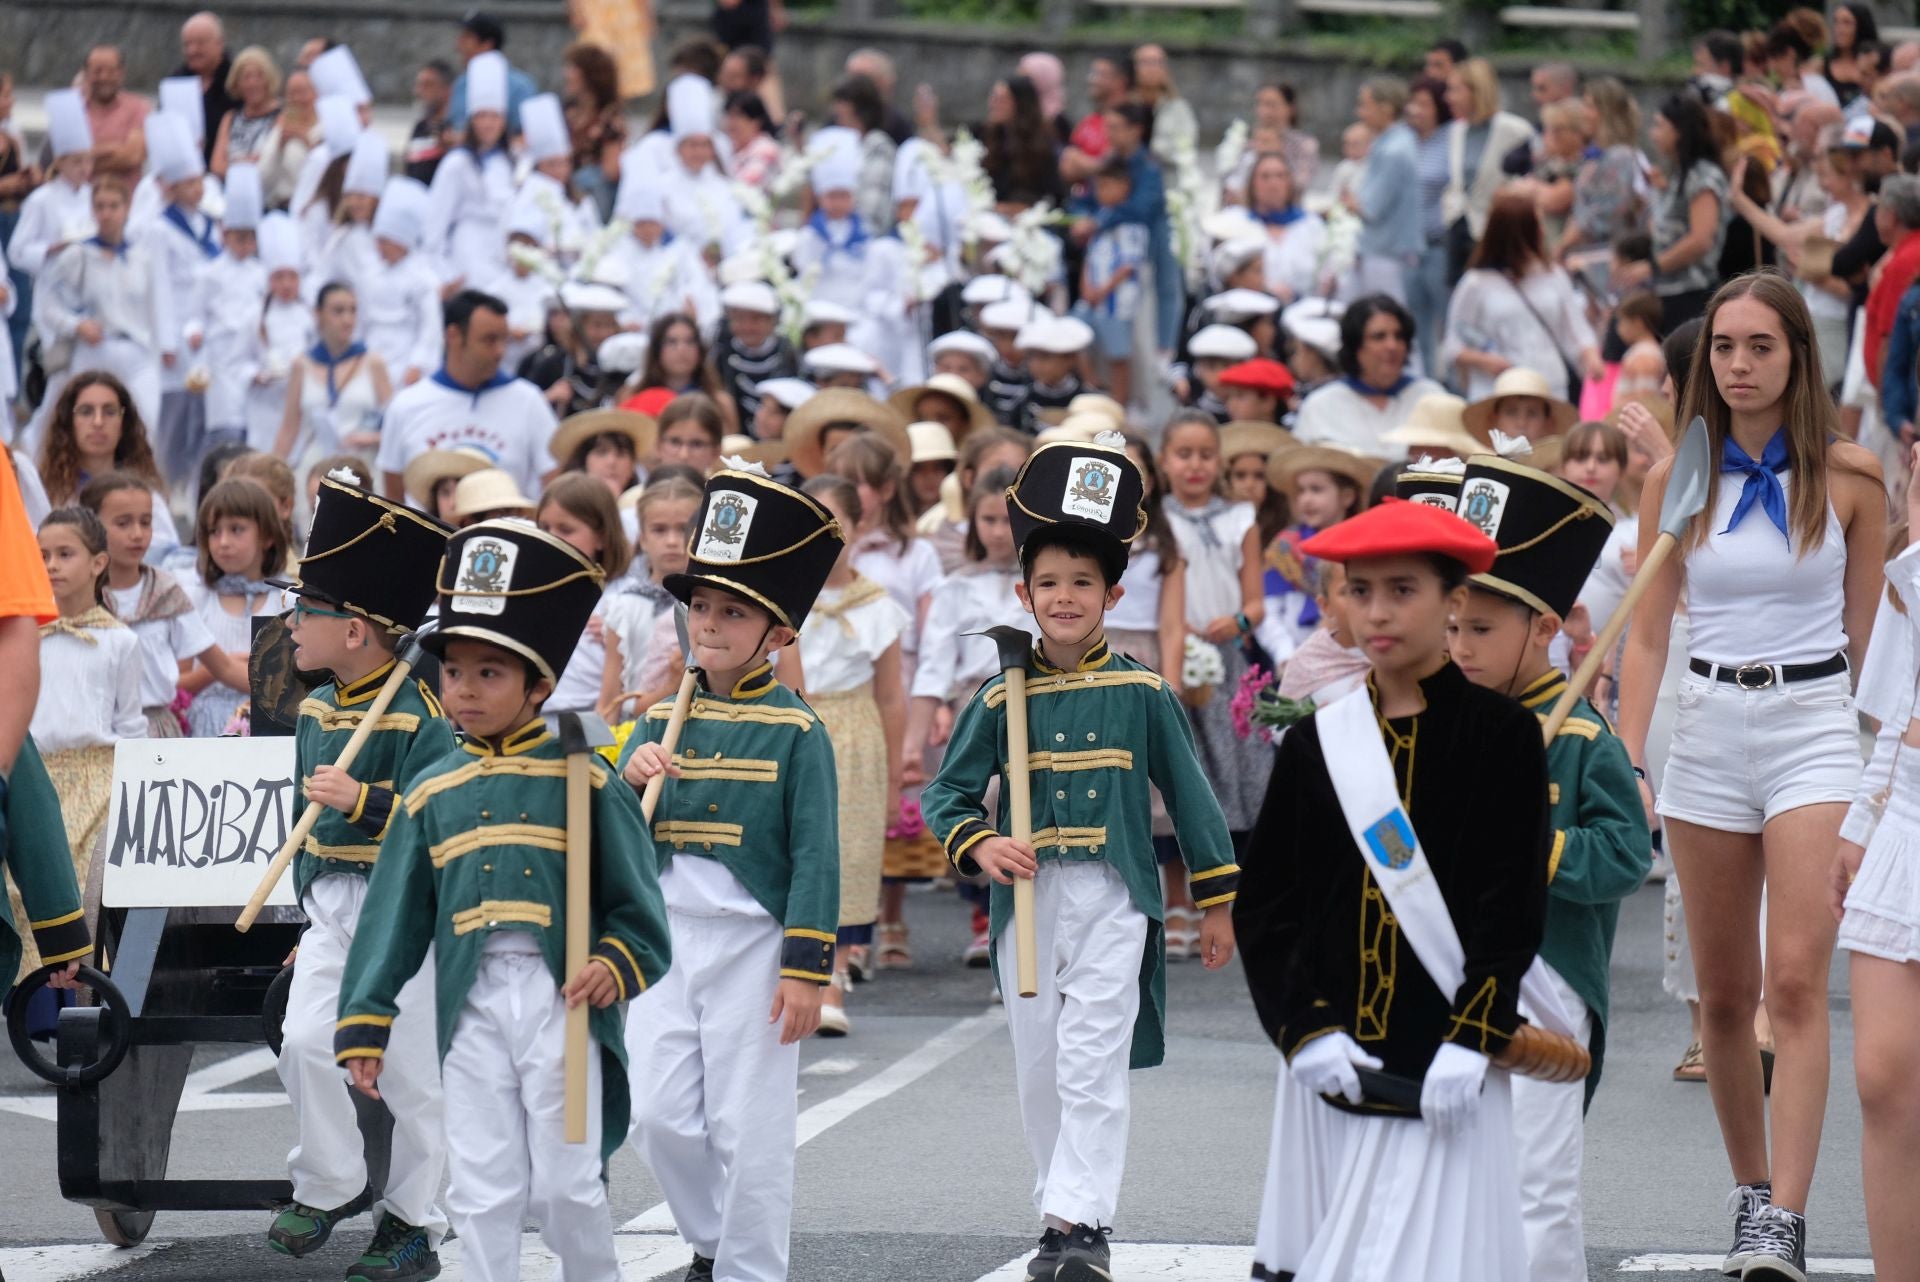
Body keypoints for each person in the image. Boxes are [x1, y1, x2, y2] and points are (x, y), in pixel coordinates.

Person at [1616, 274, 1884, 1280]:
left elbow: (1870, 640)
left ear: (1796, 356)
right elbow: (1646, 632)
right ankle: (1750, 1192)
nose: (1736, 363)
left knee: (1795, 984)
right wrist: (1629, 754)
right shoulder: (1676, 481)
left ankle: (1789, 1219)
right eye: (1722, 346)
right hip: (1711, 723)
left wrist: (1887, 769)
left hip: (1814, 721)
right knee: (1723, 997)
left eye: (1758, 345)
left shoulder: (1853, 478)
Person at [337, 516, 670, 1281]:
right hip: (472, 1002)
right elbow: (392, 917)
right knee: (482, 1192)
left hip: (566, 1000)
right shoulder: (431, 788)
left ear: (539, 686)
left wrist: (614, 964)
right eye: (454, 672)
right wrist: (366, 1017)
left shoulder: (584, 775)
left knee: (565, 1190)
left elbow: (639, 908)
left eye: (490, 673)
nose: (465, 689)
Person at [1236, 496, 1551, 1282]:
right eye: (1359, 589)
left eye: (1403, 590)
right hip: (1329, 1062)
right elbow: (1269, 905)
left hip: (1443, 1064)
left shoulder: (1503, 737)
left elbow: (1510, 904)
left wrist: (1474, 1035)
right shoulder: (1318, 739)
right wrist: (1302, 1029)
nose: (1378, 611)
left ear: (1453, 602)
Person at [619, 465, 841, 1282]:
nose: (708, 624)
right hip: (665, 940)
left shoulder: (797, 731)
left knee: (750, 1128)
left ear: (777, 634)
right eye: (701, 607)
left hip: (755, 947)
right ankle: (712, 1240)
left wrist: (808, 968)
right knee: (655, 1114)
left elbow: (818, 854)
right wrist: (629, 777)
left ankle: (747, 1270)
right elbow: (616, 835)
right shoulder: (650, 719)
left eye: (732, 612)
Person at [1444, 457, 1653, 1282]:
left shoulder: (1580, 740)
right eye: (1453, 627)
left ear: (1544, 629)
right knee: (1454, 1180)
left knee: (1536, 1185)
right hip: (1452, 978)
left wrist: (1539, 846)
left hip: (1549, 987)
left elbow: (1626, 857)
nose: (1460, 647)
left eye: (1482, 631)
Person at [267, 477, 453, 1279]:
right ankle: (332, 1180)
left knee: (411, 1076)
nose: (289, 623)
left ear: (352, 630)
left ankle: (415, 1221)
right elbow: (306, 836)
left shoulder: (421, 715)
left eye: (304, 611)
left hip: (401, 913)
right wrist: (305, 918)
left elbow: (440, 825)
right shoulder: (314, 712)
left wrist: (371, 801)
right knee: (306, 1040)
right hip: (332, 912)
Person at [1835, 442, 1920, 1282]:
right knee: (1883, 1080)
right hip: (1909, 818)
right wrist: (1863, 819)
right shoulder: (1909, 563)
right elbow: (1897, 708)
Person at [795, 473, 908, 1028]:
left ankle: (836, 974)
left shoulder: (877, 605)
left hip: (855, 726)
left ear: (858, 529)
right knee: (800, 849)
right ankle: (799, 970)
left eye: (834, 524)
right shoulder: (782, 593)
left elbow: (891, 695)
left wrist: (892, 782)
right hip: (798, 724)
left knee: (852, 852)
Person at [29, 507, 143, 905]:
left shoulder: (119, 641)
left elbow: (131, 726)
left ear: (98, 563)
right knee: (25, 889)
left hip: (97, 785)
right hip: (33, 777)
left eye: (64, 554)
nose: (52, 565)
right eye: (42, 555)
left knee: (83, 889)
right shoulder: (23, 637)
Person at [80, 471, 244, 738]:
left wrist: (284, 695)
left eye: (145, 522)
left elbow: (221, 666)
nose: (137, 534)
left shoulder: (166, 592)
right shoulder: (81, 597)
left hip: (154, 731)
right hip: (95, 731)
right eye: (123, 523)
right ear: (92, 527)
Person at [378, 290, 558, 503]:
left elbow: (554, 484)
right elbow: (393, 496)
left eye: (504, 340)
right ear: (453, 336)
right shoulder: (406, 405)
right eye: (489, 340)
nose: (500, 351)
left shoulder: (529, 401)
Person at [30, 177, 167, 437]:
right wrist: (76, 325)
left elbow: (154, 309)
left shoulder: (140, 257)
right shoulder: (78, 254)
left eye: (113, 206)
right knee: (85, 426)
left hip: (136, 349)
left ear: (126, 209)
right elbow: (47, 304)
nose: (106, 214)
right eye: (100, 207)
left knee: (145, 423)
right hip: (94, 349)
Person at [1439, 191, 1602, 404]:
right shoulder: (1477, 283)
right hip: (1497, 390)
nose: (1543, 231)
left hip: (1548, 387)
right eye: (1537, 225)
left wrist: (1591, 357)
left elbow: (1575, 330)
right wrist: (1485, 361)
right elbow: (1453, 343)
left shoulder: (1552, 275)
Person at [179, 478, 293, 737]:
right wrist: (218, 667)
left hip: (268, 730)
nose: (223, 542)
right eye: (213, 532)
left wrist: (231, 670)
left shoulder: (286, 600)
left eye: (236, 529)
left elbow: (289, 687)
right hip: (206, 729)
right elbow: (178, 685)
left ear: (266, 537)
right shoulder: (195, 599)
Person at [36, 373, 179, 563]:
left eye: (109, 412)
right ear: (69, 422)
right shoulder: (45, 495)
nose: (98, 422)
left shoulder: (146, 497)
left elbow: (168, 558)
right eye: (86, 412)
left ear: (124, 422)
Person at [1616, 95, 1729, 332]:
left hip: (1691, 292)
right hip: (1669, 290)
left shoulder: (1703, 176)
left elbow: (1700, 240)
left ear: (1679, 131)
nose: (1653, 133)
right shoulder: (1679, 175)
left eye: (1659, 126)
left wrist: (1652, 267)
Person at [1294, 295, 1444, 457]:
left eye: (1399, 336)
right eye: (1379, 337)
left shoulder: (1432, 398)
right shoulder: (1321, 406)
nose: (1392, 346)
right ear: (1355, 346)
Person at [534, 474, 633, 714]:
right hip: (532, 719)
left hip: (593, 721)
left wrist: (623, 638)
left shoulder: (627, 596)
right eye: (545, 528)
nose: (552, 538)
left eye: (565, 529)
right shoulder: (531, 590)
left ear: (602, 537)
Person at [424, 52, 516, 285]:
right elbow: (434, 226)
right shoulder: (457, 163)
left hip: (502, 259)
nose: (488, 124)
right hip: (466, 259)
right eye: (481, 116)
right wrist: (442, 273)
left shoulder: (511, 162)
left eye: (494, 117)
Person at [278, 283, 392, 466]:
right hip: (316, 468)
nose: (347, 320)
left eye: (352, 311)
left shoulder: (372, 363)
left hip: (362, 468)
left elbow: (394, 426)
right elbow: (288, 428)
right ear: (318, 314)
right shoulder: (302, 365)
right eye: (338, 311)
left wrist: (370, 438)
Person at [1349, 77, 1421, 304]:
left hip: (1386, 253)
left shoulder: (1394, 150)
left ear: (1386, 108)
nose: (1360, 112)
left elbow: (1371, 207)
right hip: (1387, 251)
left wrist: (1348, 202)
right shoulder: (1396, 141)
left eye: (1365, 105)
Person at [983, 75, 1065, 214]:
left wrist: (1018, 208)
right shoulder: (986, 136)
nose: (994, 104)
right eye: (993, 97)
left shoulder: (1041, 145)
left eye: (1002, 100)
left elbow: (1054, 196)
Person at [563, 43, 626, 221]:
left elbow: (611, 171)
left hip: (594, 195)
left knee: (588, 177)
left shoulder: (609, 119)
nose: (566, 74)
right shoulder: (568, 112)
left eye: (572, 68)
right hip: (563, 184)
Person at [446, 10, 538, 132]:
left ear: (487, 44)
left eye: (467, 37)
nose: (458, 44)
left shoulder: (520, 87)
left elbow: (527, 136)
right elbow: (452, 126)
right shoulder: (461, 84)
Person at [81, 45, 150, 185]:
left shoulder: (139, 108)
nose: (104, 77)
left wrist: (84, 158)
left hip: (127, 204)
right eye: (97, 71)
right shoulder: (73, 111)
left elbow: (132, 156)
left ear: (121, 73)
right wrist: (114, 148)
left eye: (111, 71)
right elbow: (62, 163)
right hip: (79, 203)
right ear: (86, 74)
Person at [211, 46, 282, 178]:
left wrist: (235, 164)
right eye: (246, 77)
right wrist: (245, 166)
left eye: (259, 76)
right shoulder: (230, 118)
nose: (252, 83)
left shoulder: (281, 116)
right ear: (237, 83)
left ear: (269, 79)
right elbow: (216, 165)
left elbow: (269, 163)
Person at [404, 60, 454, 186]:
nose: (419, 91)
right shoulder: (420, 127)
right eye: (419, 85)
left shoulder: (455, 129)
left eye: (428, 85)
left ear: (447, 89)